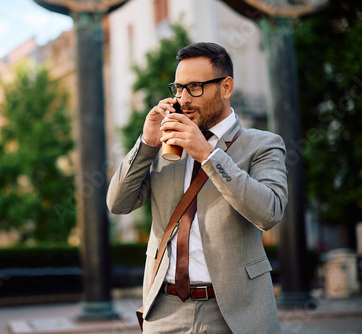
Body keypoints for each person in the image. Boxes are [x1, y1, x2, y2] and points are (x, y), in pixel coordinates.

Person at [107, 42, 288, 333]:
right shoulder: (167, 146)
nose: (183, 99)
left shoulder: (263, 144)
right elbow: (118, 203)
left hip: (236, 312)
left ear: (226, 87)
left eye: (194, 87)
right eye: (178, 88)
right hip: (165, 311)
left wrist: (208, 155)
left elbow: (269, 212)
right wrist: (146, 144)